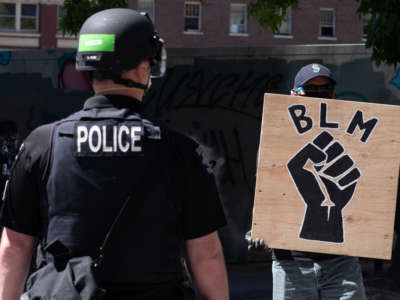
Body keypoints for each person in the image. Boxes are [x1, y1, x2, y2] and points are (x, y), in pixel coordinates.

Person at [0, 9, 229, 300]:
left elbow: (16, 244)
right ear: (142, 69)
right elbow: (205, 252)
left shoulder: (43, 143)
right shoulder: (179, 150)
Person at [271, 63, 367, 300]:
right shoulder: (276, 134)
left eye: (324, 90)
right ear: (294, 94)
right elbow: (269, 191)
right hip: (291, 263)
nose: (318, 96)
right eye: (310, 90)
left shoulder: (351, 138)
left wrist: (337, 203)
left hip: (342, 262)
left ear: (333, 95)